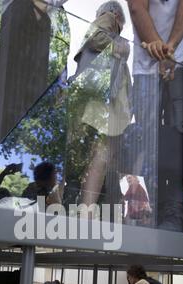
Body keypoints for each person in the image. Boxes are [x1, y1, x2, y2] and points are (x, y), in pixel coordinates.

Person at [127, 0, 183, 230]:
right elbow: (136, 7)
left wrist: (169, 47)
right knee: (146, 143)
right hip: (146, 68)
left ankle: (173, 215)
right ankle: (145, 214)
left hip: (179, 64)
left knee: (176, 143)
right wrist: (163, 50)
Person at [71, 1, 132, 210]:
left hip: (99, 107)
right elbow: (96, 36)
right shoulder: (109, 17)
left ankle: (82, 214)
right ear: (117, 16)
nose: (122, 28)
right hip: (100, 107)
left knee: (93, 162)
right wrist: (119, 48)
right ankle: (85, 216)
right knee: (98, 160)